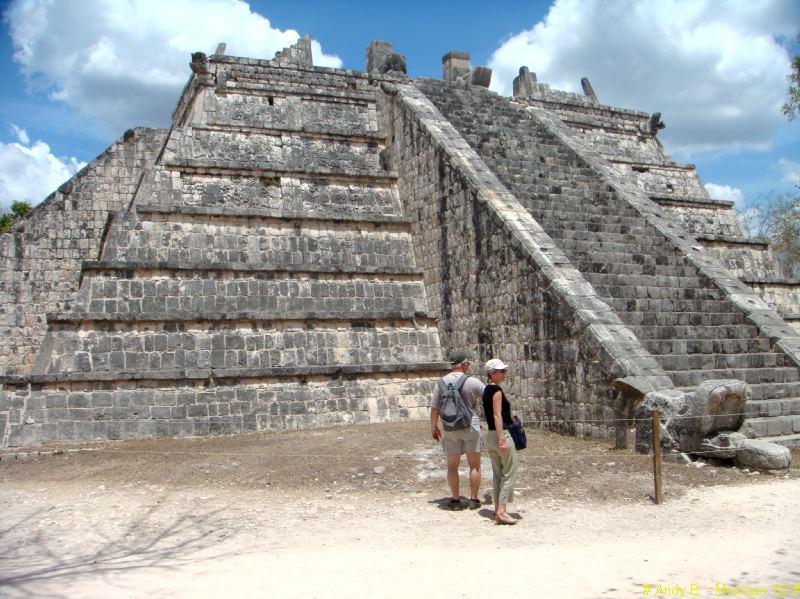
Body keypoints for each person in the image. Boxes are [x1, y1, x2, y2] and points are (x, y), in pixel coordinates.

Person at [430, 351, 485, 510]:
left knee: (452, 465)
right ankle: (474, 500)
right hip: (470, 424)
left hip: (450, 426)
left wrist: (434, 427)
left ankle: (455, 500)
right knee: (474, 465)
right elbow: (488, 395)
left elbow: (434, 409)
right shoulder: (472, 381)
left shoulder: (440, 382)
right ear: (464, 364)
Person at [482, 358, 518, 525]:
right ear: (492, 374)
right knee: (509, 473)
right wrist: (502, 438)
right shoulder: (496, 391)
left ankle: (497, 509)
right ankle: (502, 510)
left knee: (498, 474)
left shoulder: (486, 390)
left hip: (489, 435)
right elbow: (497, 415)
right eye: (501, 371)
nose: (504, 374)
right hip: (499, 434)